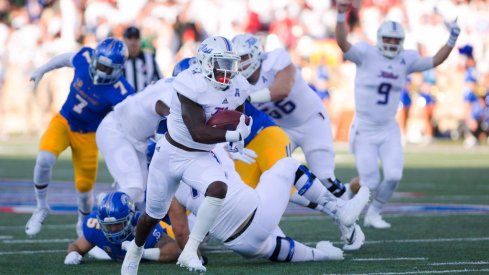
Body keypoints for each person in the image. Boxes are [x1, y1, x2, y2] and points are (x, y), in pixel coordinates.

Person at [121, 36, 253, 274]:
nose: (226, 70)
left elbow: (237, 112)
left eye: (229, 64)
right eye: (220, 63)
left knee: (219, 188)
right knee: (153, 215)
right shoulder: (189, 83)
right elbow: (198, 132)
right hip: (170, 153)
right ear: (204, 62)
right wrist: (234, 136)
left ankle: (190, 251)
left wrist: (240, 133)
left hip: (199, 157)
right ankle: (135, 250)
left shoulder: (238, 85)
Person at [335, 1, 460, 228]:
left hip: (389, 128)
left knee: (393, 175)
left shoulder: (407, 59)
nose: (392, 44)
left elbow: (436, 60)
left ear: (401, 42)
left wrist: (452, 39)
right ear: (380, 39)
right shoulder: (365, 53)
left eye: (396, 40)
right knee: (370, 181)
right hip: (365, 127)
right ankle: (347, 191)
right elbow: (342, 42)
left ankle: (374, 212)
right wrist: (341, 16)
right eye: (388, 39)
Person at [169, 145, 370, 263]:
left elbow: (179, 230)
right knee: (288, 166)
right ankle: (339, 208)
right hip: (256, 217)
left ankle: (322, 256)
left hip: (239, 246)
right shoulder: (208, 141)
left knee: (273, 244)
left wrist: (197, 258)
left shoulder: (169, 184)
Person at [25, 38, 135, 237]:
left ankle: (82, 224)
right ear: (94, 58)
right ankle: (41, 207)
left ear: (118, 70)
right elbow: (64, 59)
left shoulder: (122, 92)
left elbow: (130, 121)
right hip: (64, 122)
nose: (101, 71)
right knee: (44, 159)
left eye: (107, 68)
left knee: (84, 191)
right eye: (99, 64)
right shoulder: (84, 58)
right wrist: (42, 69)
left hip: (89, 136)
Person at [231, 34, 346, 199]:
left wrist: (248, 98)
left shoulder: (276, 59)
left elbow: (282, 89)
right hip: (282, 129)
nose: (240, 64)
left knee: (324, 177)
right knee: (272, 174)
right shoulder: (238, 82)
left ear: (256, 53)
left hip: (311, 122)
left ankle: (346, 203)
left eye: (243, 58)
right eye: (236, 60)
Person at [64, 191, 180, 264]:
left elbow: (176, 250)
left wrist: (141, 252)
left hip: (170, 229)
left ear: (130, 218)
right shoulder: (95, 226)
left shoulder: (143, 224)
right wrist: (72, 253)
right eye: (108, 226)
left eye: (117, 224)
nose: (113, 230)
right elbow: (77, 246)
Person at [122, 26, 163, 92]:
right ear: (124, 40)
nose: (133, 42)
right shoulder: (120, 60)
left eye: (136, 38)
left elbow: (160, 81)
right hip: (125, 101)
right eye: (130, 38)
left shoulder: (150, 58)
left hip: (146, 101)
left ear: (140, 40)